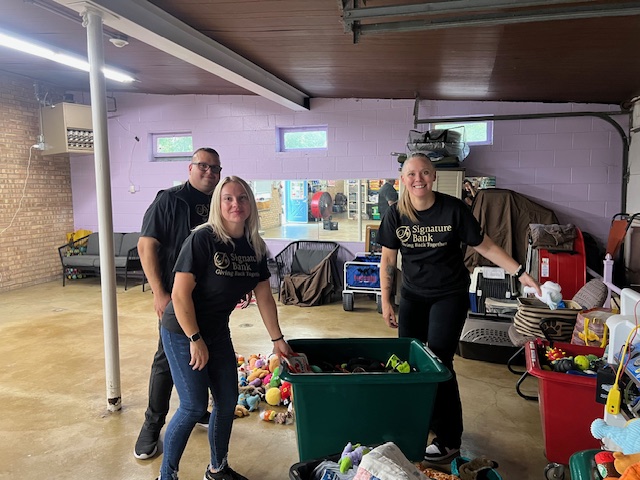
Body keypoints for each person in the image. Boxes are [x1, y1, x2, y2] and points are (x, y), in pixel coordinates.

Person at [377, 152, 541, 463]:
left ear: (434, 176)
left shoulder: (453, 209)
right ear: (402, 180)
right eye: (411, 174)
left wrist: (520, 272)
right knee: (409, 360)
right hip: (412, 296)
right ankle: (421, 418)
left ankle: (449, 438)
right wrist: (386, 300)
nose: (418, 179)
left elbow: (485, 245)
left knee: (440, 361)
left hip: (448, 295)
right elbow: (388, 259)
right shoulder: (395, 214)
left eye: (425, 172)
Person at [157, 175, 294, 480]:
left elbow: (264, 296)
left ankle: (217, 469)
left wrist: (277, 339)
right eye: (228, 198)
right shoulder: (203, 239)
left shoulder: (254, 246)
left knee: (228, 399)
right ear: (217, 204)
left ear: (251, 204)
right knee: (193, 407)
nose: (236, 204)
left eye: (242, 198)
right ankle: (167, 475)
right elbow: (179, 295)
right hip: (182, 331)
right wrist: (195, 338)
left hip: (217, 330)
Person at [134, 147, 224, 460]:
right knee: (167, 360)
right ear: (190, 168)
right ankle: (152, 423)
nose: (210, 172)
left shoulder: (219, 203)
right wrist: (159, 293)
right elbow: (146, 245)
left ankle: (196, 408)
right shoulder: (169, 200)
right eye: (203, 166)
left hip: (210, 300)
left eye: (215, 168)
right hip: (175, 298)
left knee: (206, 352)